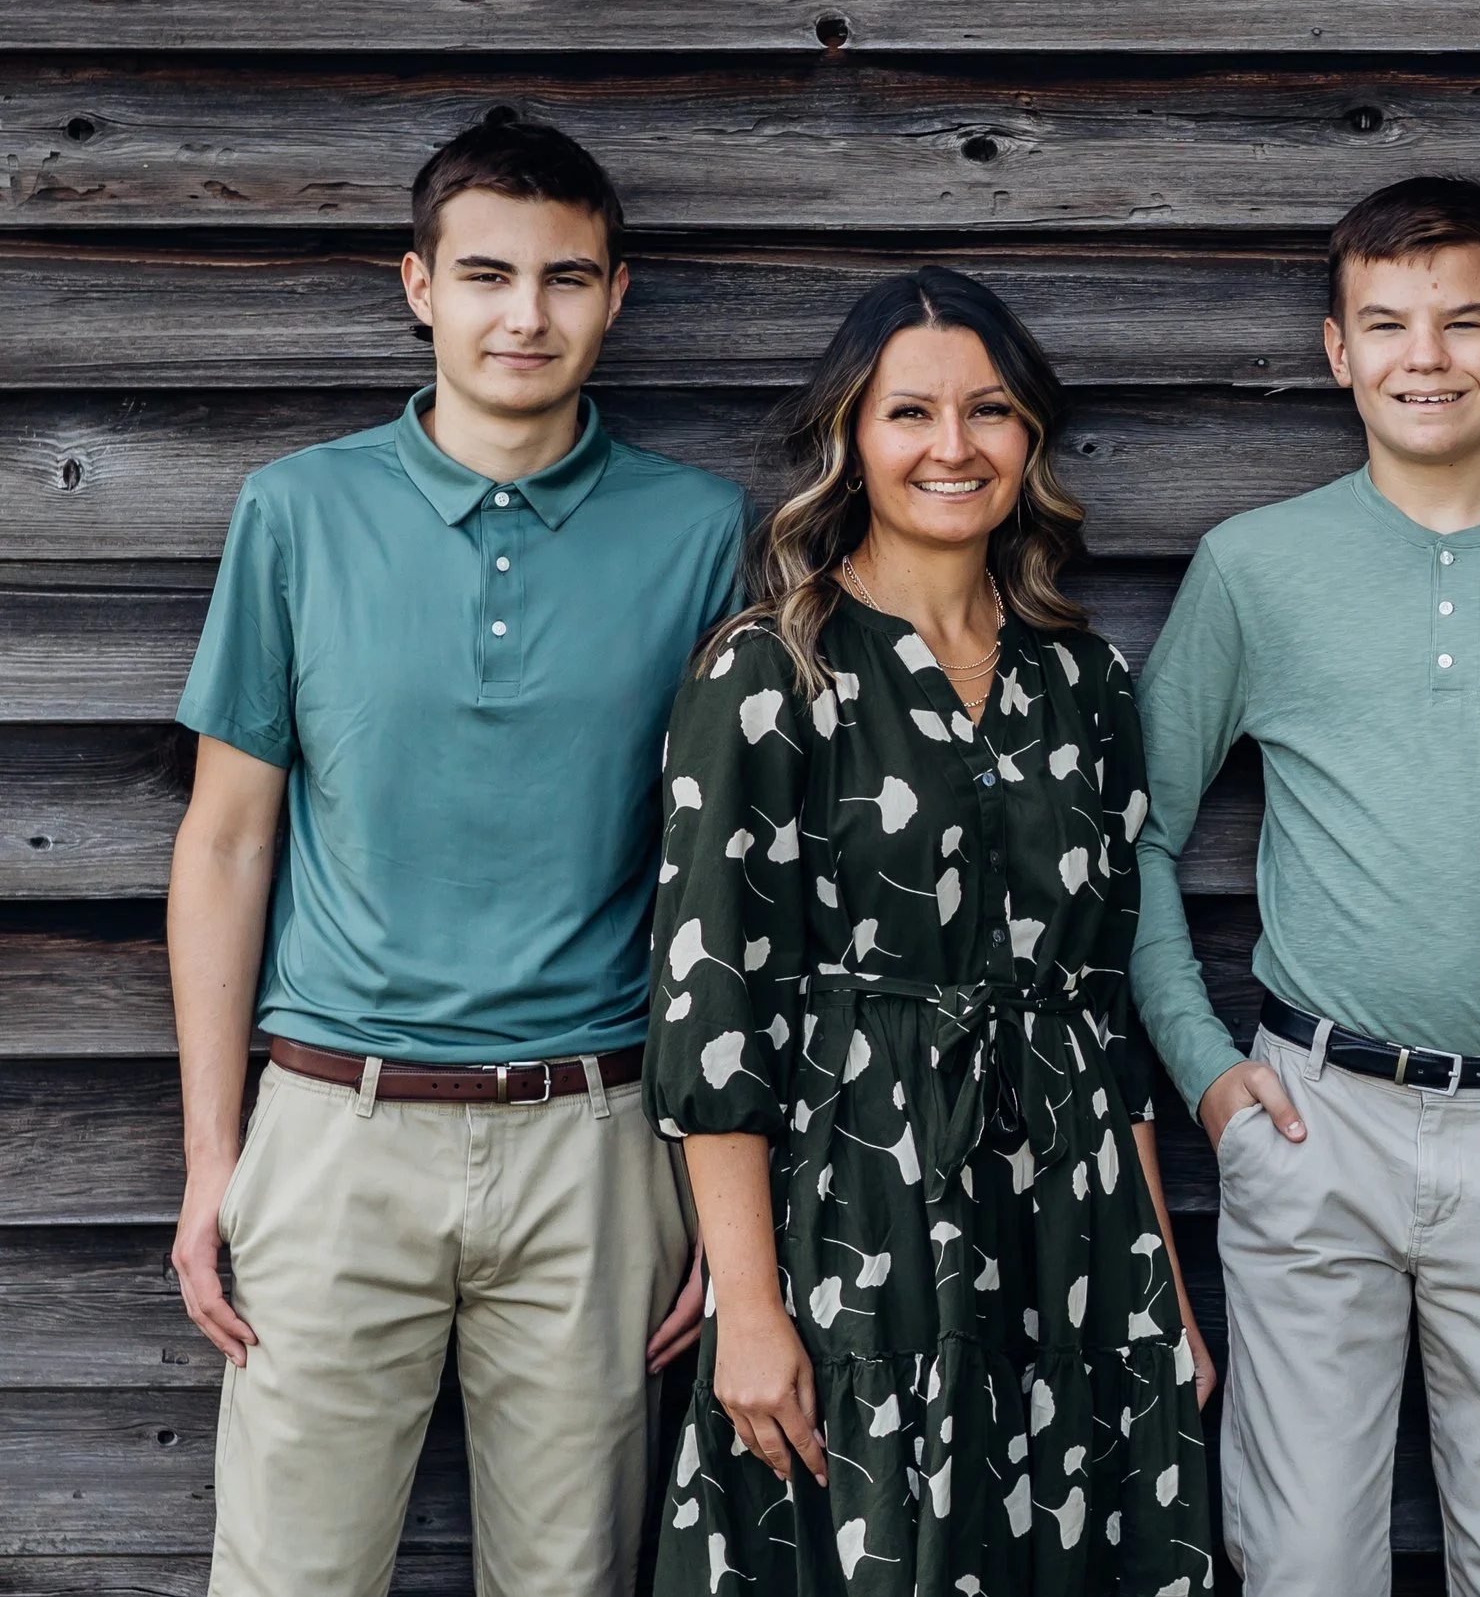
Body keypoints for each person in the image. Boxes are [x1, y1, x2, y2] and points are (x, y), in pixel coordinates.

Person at [166, 117, 743, 1596]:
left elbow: (730, 878)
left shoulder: (700, 533)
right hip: (330, 1128)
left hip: (597, 1139)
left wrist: (721, 1194)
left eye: (565, 278)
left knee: (573, 1580)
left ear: (617, 295)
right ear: (417, 285)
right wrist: (214, 1159)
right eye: (486, 273)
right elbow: (228, 841)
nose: (524, 314)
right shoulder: (297, 511)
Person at [1131, 177, 1480, 1597]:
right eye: (1386, 323)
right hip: (1312, 1123)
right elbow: (1133, 833)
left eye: (1462, 321)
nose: (1424, 355)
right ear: (1337, 350)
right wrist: (1207, 1073)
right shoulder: (1255, 568)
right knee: (1305, 1558)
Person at [642, 265, 1214, 1597]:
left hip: (1071, 1219)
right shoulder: (770, 671)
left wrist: (1163, 1289)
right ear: (851, 435)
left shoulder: (1083, 676)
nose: (952, 446)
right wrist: (750, 1309)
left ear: (1031, 441)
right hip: (860, 1208)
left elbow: (1105, 1009)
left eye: (990, 411)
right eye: (911, 413)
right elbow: (711, 1017)